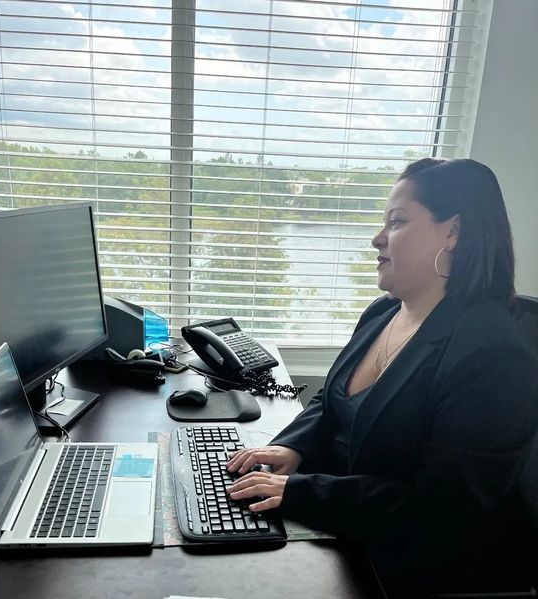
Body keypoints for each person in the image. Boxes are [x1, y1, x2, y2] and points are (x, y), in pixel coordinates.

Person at [226, 158, 538, 596]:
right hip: (349, 522)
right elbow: (329, 401)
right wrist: (291, 448)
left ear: (453, 232)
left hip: (416, 563)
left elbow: (443, 510)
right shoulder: (382, 313)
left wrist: (300, 492)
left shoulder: (493, 354)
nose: (377, 238)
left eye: (397, 221)